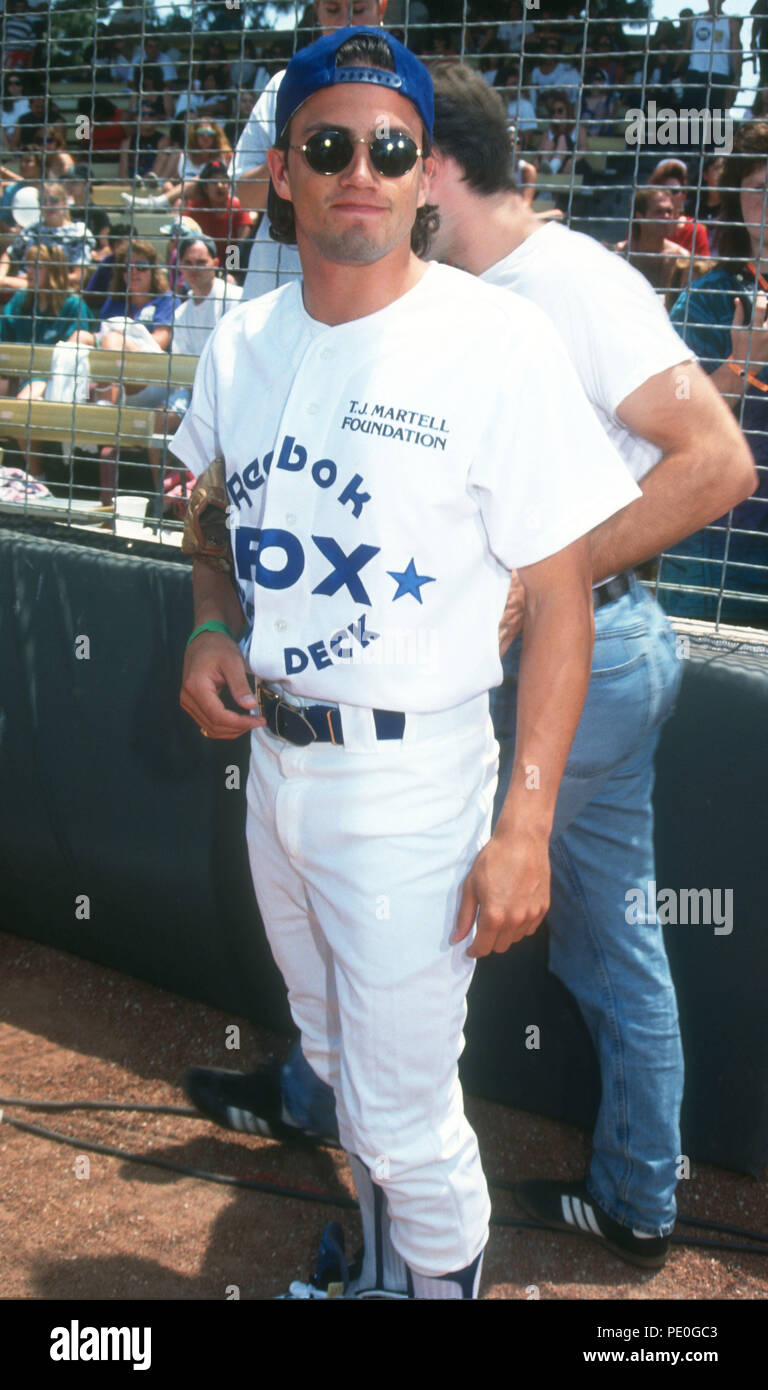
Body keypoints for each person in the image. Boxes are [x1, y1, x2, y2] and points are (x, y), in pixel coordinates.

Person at [184, 59, 756, 1276]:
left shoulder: (499, 338)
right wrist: (206, 624)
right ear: (279, 175)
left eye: (391, 151)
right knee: (337, 1063)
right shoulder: (239, 343)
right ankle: (394, 1268)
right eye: (327, 148)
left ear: (424, 178)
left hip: (413, 777)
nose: (361, 174)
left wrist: (527, 825)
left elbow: (560, 602)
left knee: (405, 1110)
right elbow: (213, 511)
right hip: (278, 770)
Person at [665, 120, 768, 625]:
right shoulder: (705, 300)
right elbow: (671, 423)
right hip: (716, 560)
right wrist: (739, 365)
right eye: (757, 190)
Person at [232, 0, 389, 302]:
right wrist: (293, 147)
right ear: (316, 11)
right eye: (333, 10)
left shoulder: (404, 93)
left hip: (365, 293)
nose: (346, 24)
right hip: (276, 287)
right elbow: (245, 193)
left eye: (359, 11)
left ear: (380, 11)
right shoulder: (283, 87)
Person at [170, 232, 242, 356]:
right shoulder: (180, 315)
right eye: (188, 262)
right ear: (180, 266)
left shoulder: (236, 298)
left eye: (201, 262)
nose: (194, 268)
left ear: (215, 264)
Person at [614, 187, 685, 294]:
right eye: (659, 212)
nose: (666, 217)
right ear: (639, 216)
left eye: (669, 211)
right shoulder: (620, 254)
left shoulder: (680, 258)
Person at [648, 158, 710, 256]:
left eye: (674, 191)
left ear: (684, 196)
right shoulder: (641, 225)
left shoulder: (696, 230)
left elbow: (704, 268)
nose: (668, 196)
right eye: (663, 190)